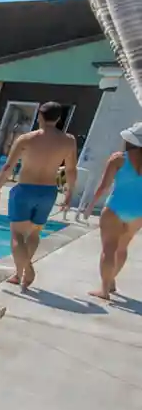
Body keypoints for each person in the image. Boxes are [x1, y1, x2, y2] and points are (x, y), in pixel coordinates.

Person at [0, 102, 79, 289]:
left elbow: (8, 166)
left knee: (17, 235)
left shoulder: (26, 139)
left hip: (25, 189)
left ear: (39, 116)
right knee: (34, 233)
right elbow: (71, 169)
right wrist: (70, 191)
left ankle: (27, 269)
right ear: (58, 118)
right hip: (48, 192)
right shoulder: (68, 141)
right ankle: (18, 273)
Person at [88, 122, 142, 301]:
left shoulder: (119, 158)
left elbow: (104, 186)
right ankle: (111, 282)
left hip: (116, 207)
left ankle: (104, 289)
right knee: (122, 248)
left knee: (109, 248)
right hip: (138, 211)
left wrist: (90, 205)